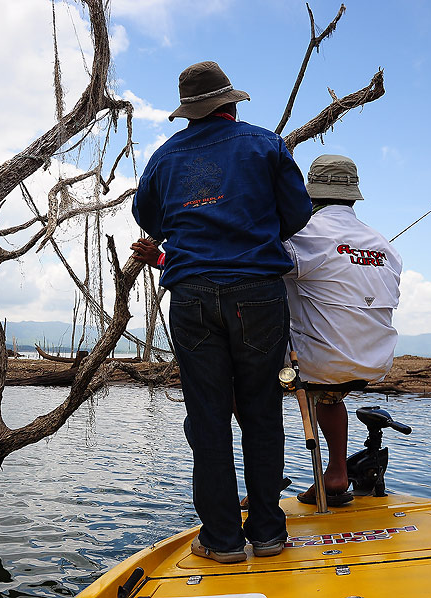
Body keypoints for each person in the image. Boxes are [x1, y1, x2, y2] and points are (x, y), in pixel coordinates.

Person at [131, 61, 311, 563]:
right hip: (258, 294)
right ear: (231, 104)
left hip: (191, 297)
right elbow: (296, 214)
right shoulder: (266, 145)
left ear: (189, 112)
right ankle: (270, 534)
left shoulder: (164, 158)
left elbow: (148, 217)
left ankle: (222, 540)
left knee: (207, 417)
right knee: (262, 410)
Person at [282, 154, 402, 506]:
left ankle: (267, 476)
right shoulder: (386, 246)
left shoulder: (302, 236)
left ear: (311, 196)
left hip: (319, 361)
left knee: (235, 382)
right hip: (375, 360)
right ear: (353, 196)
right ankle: (336, 473)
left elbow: (257, 267)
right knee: (329, 391)